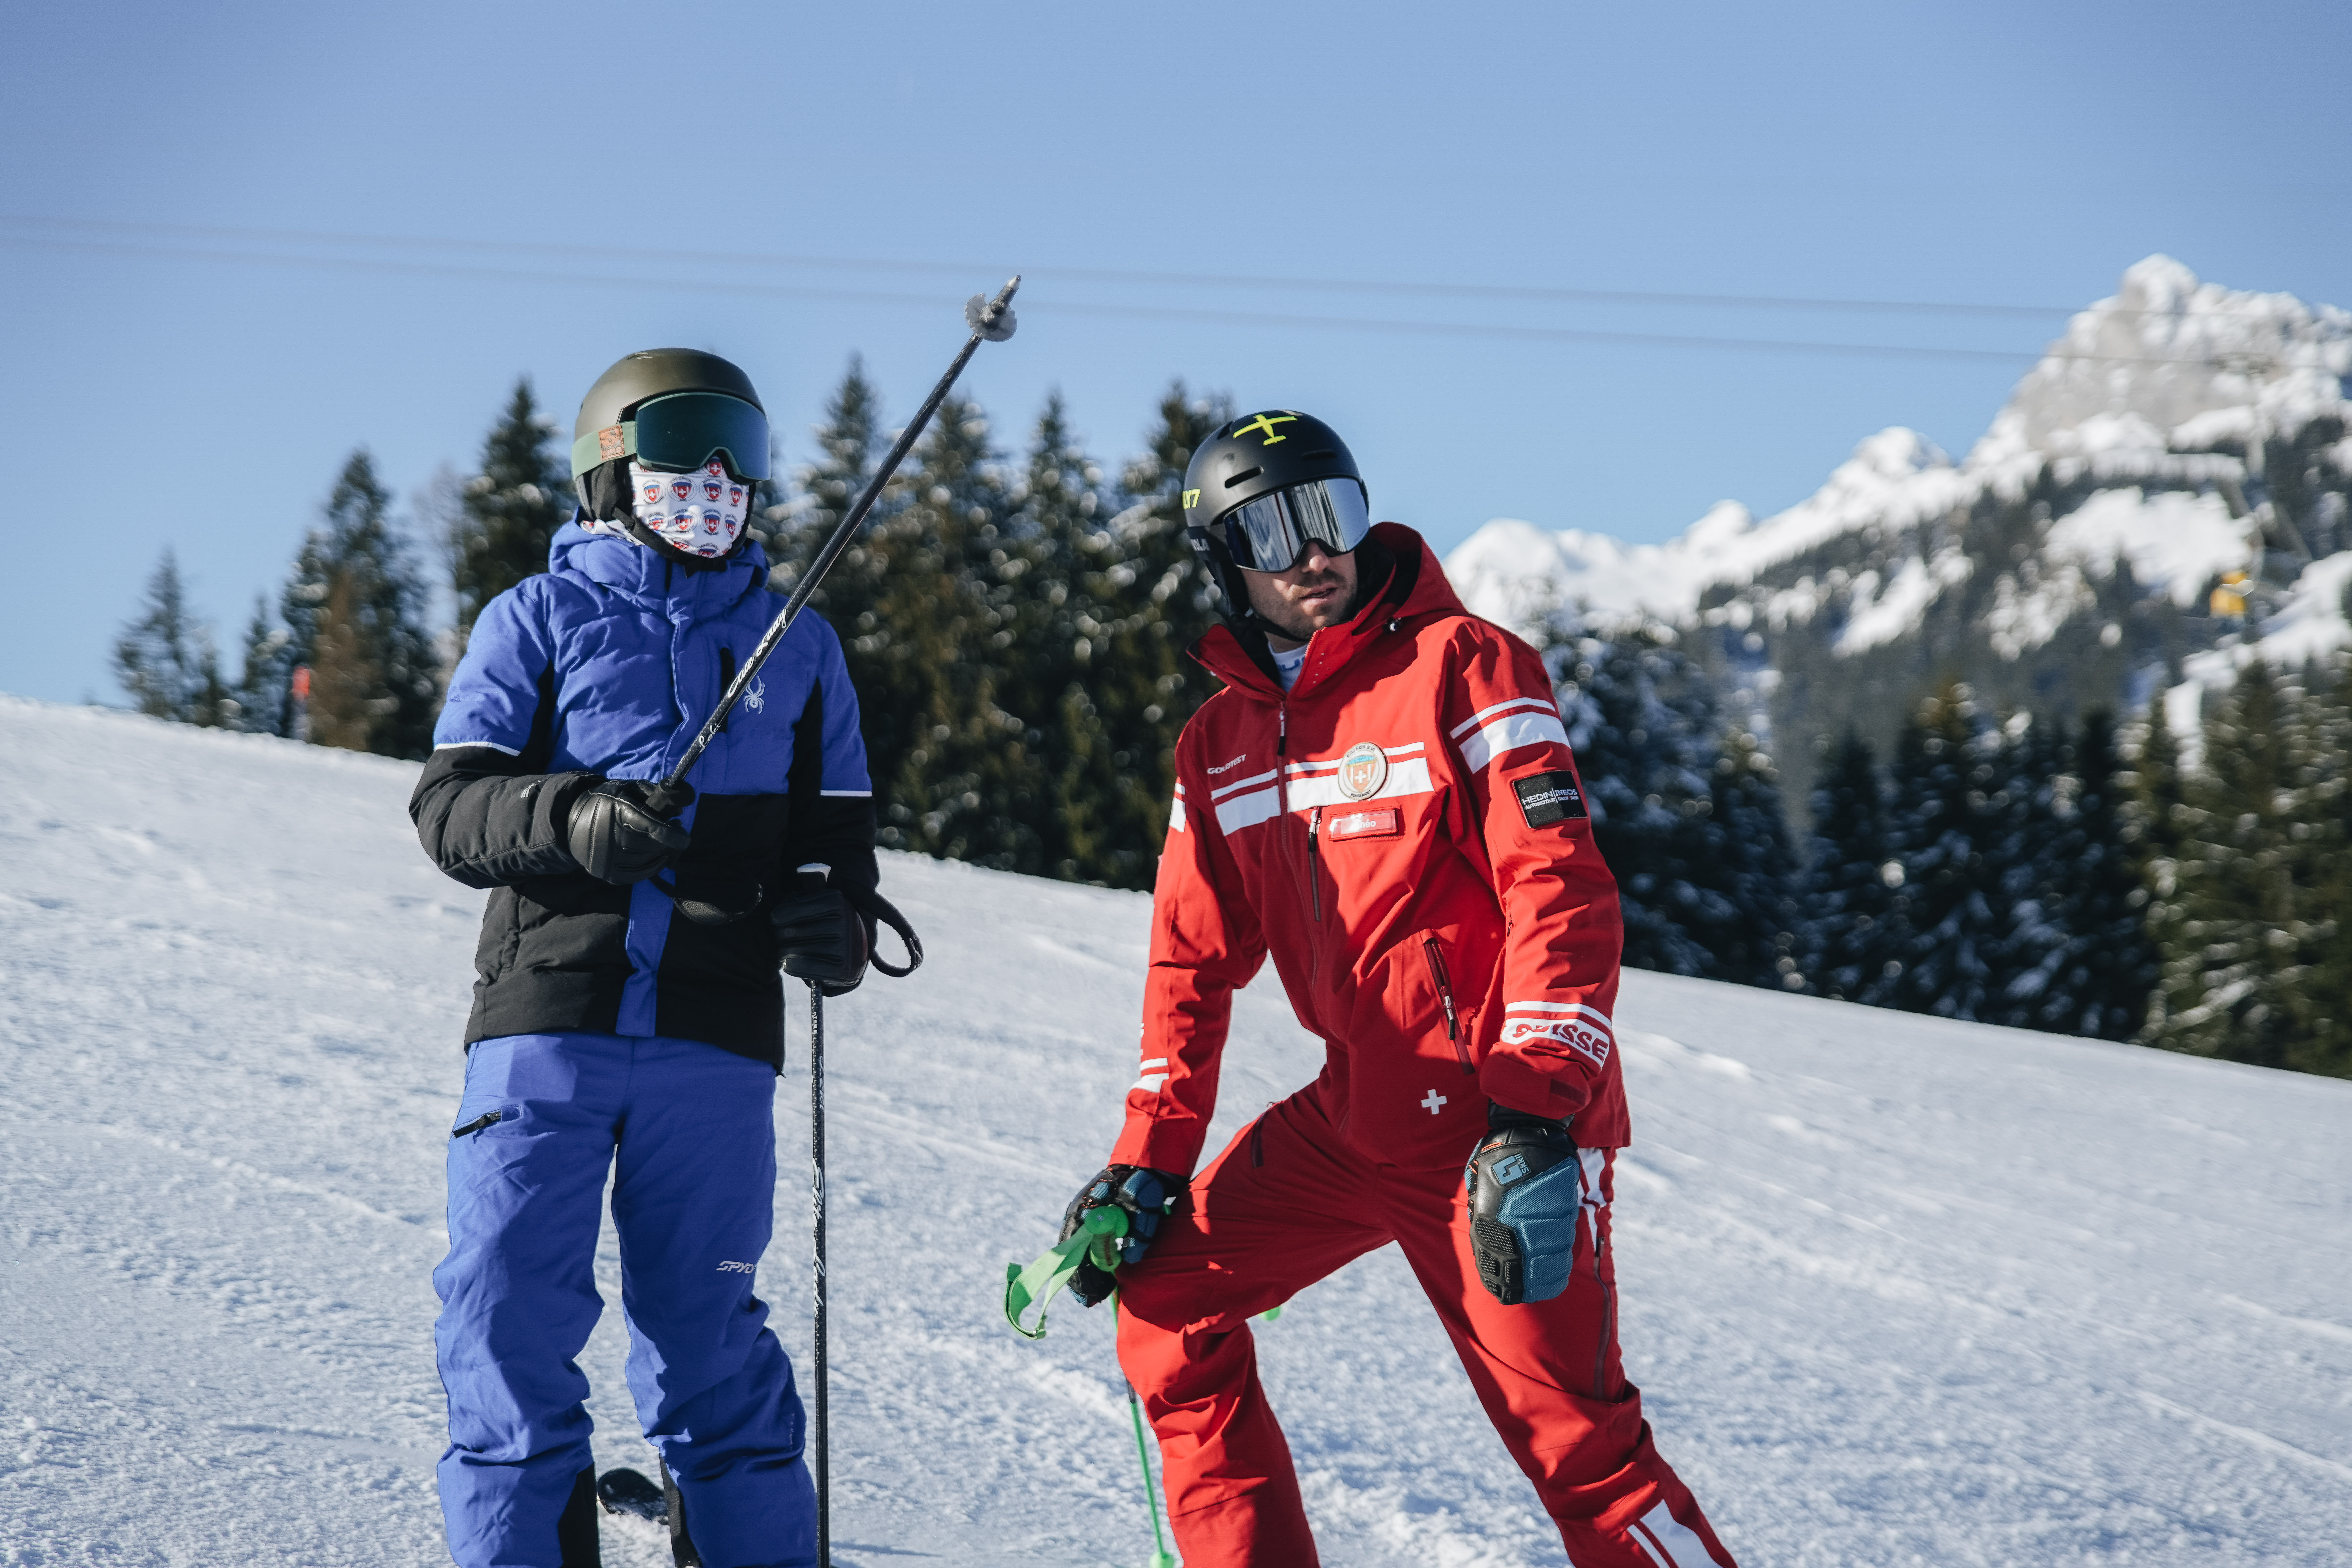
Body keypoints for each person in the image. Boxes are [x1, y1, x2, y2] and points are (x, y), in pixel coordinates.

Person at [1056, 411, 1739, 1566]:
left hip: (1492, 1126)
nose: (1314, 550)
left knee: (1580, 1451)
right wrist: (1148, 1158)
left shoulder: (1463, 664)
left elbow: (1558, 885)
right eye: (1273, 529)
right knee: (1169, 1307)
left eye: (1333, 511)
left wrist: (1535, 1109)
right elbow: (1191, 962)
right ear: (1227, 560)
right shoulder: (1219, 742)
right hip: (1356, 1115)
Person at [412, 349, 882, 1568]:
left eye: (740, 452)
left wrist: (827, 918)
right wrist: (573, 818)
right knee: (506, 1320)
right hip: (547, 1022)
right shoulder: (538, 618)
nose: (717, 480)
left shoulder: (801, 642)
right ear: (610, 471)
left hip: (713, 1041)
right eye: (685, 450)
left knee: (706, 1333)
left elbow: (835, 842)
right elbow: (453, 810)